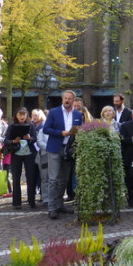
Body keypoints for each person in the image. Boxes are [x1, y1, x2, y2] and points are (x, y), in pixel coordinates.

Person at [43, 90, 83, 220]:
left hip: (69, 149)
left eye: (69, 99)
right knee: (53, 179)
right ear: (62, 99)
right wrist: (61, 133)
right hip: (55, 148)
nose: (67, 100)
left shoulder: (77, 114)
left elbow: (80, 129)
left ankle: (60, 204)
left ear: (73, 100)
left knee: (64, 179)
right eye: (65, 98)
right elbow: (46, 129)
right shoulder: (54, 112)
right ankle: (52, 208)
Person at [4, 107, 39, 209]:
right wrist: (13, 141)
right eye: (20, 114)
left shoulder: (31, 125)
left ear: (27, 115)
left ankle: (32, 201)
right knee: (16, 178)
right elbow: (6, 140)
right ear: (16, 115)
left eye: (24, 114)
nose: (22, 116)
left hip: (29, 154)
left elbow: (35, 139)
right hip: (16, 154)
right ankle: (16, 202)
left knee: (31, 178)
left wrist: (30, 138)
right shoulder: (11, 126)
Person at [32, 109, 48, 205]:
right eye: (33, 115)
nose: (34, 117)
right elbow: (39, 142)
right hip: (40, 154)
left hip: (49, 154)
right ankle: (44, 197)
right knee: (42, 177)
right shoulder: (33, 127)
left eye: (36, 115)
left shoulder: (44, 127)